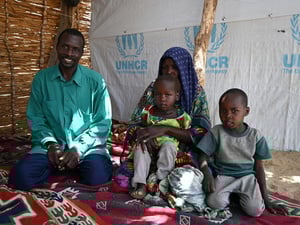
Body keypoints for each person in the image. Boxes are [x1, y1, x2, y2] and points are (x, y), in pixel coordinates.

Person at [8, 28, 113, 191]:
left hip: (86, 147)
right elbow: (36, 119)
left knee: (97, 177)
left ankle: (70, 165)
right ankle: (59, 164)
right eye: (65, 47)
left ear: (81, 52)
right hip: (50, 148)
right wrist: (51, 145)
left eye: (75, 49)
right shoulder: (42, 79)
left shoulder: (95, 81)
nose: (69, 53)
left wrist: (78, 148)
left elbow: (102, 123)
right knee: (20, 178)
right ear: (57, 47)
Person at [195, 88, 288, 217]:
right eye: (223, 111)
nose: (228, 115)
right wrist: (207, 173)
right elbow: (203, 155)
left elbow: (259, 167)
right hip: (224, 176)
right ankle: (234, 196)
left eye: (234, 111)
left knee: (255, 210)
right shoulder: (216, 132)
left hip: (247, 178)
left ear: (246, 111)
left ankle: (237, 196)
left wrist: (266, 200)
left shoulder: (255, 136)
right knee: (214, 203)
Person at [129, 46, 211, 159]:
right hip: (150, 147)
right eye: (165, 67)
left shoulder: (196, 93)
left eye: (174, 67)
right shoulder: (154, 88)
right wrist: (144, 134)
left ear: (184, 68)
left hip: (185, 152)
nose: (169, 71)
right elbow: (134, 122)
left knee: (187, 175)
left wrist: (165, 129)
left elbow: (201, 134)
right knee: (126, 173)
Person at [130, 75, 191, 199]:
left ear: (177, 96)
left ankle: (160, 181)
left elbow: (189, 136)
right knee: (140, 148)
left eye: (167, 95)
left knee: (169, 147)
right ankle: (140, 183)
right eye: (158, 94)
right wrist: (142, 134)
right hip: (149, 144)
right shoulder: (148, 112)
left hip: (168, 147)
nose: (162, 98)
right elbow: (139, 128)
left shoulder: (182, 117)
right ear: (153, 95)